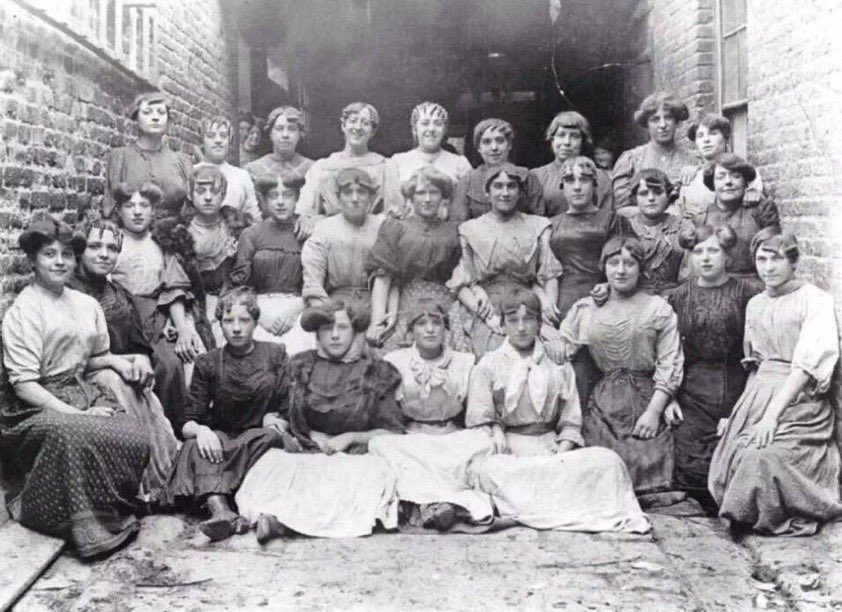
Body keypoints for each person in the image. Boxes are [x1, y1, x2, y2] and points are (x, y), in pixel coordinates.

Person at [1, 214, 150, 558]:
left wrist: (112, 360)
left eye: (66, 255)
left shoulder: (85, 304)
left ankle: (113, 512)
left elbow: (92, 358)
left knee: (132, 430)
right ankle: (81, 526)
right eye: (49, 254)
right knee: (75, 433)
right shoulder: (24, 310)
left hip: (80, 389)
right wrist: (76, 414)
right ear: (33, 260)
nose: (59, 262)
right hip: (32, 406)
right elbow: (23, 385)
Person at [465, 288, 650, 533]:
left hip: (551, 449)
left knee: (610, 461)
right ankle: (549, 505)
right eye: (513, 320)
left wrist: (560, 453)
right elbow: (480, 420)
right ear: (502, 324)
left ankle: (532, 507)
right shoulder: (488, 365)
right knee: (486, 470)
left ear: (540, 323)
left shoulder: (557, 364)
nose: (521, 328)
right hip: (510, 453)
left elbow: (571, 421)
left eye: (529, 319)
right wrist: (497, 432)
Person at [235, 301, 406, 542]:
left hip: (355, 456)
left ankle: (286, 524)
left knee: (363, 475)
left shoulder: (374, 372)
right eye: (327, 329)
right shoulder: (299, 366)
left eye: (342, 328)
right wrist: (289, 426)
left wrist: (350, 438)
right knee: (273, 465)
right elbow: (280, 413)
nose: (335, 335)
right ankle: (274, 519)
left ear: (355, 331)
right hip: (305, 449)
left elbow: (394, 433)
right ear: (317, 333)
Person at [709, 229, 842, 536]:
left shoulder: (815, 300)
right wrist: (740, 412)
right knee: (732, 452)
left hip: (798, 399)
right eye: (761, 259)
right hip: (759, 393)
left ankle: (777, 508)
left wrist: (771, 417)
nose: (768, 267)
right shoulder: (755, 303)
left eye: (777, 259)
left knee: (763, 457)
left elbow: (806, 367)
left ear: (794, 262)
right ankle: (744, 512)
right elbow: (755, 364)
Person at [551, 237, 685, 506]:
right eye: (614, 263)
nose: (621, 270)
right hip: (604, 399)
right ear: (604, 267)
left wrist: (656, 410)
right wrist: (553, 340)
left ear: (641, 269)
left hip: (646, 396)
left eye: (629, 263)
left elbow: (669, 361)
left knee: (648, 459)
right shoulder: (587, 308)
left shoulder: (658, 308)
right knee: (599, 463)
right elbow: (562, 346)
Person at [69, 214, 179, 504]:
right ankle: (139, 488)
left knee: (148, 398)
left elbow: (137, 341)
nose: (104, 254)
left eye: (112, 248)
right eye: (95, 246)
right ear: (81, 249)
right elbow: (71, 358)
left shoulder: (118, 293)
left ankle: (167, 479)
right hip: (83, 375)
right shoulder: (68, 291)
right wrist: (114, 362)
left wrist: (141, 359)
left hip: (122, 370)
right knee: (117, 385)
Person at [166, 288, 290, 541]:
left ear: (255, 322)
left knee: (272, 440)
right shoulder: (208, 362)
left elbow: (290, 406)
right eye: (228, 321)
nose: (236, 328)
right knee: (193, 445)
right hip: (224, 438)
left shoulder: (275, 355)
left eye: (244, 320)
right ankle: (221, 511)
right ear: (219, 324)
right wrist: (201, 431)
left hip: (259, 439)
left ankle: (251, 512)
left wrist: (276, 415)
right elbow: (188, 419)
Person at [368, 300, 494, 531]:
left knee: (481, 443)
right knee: (381, 445)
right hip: (412, 435)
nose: (430, 329)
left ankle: (441, 505)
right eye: (421, 324)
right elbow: (386, 413)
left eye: (436, 323)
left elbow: (477, 416)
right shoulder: (395, 361)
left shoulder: (464, 362)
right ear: (411, 331)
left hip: (451, 434)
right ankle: (429, 506)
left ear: (446, 329)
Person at [667, 225, 759, 510]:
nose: (705, 258)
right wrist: (670, 397)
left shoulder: (747, 294)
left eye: (713, 251)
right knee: (688, 468)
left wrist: (738, 409)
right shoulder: (678, 297)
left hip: (734, 385)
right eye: (698, 251)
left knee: (731, 460)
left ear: (727, 255)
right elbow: (670, 351)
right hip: (690, 390)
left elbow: (754, 356)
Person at [109, 182, 210, 420]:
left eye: (144, 205)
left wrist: (182, 327)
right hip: (119, 317)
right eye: (129, 205)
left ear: (153, 210)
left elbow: (173, 285)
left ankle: (174, 426)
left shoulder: (162, 242)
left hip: (155, 314)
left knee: (170, 364)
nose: (136, 211)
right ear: (120, 210)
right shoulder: (111, 241)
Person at [447, 164, 563, 357]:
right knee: (495, 353)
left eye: (511, 186)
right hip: (487, 307)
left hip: (529, 304)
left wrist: (546, 313)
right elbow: (460, 285)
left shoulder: (538, 225)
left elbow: (549, 274)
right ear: (487, 192)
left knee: (548, 352)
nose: (505, 192)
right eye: (498, 186)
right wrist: (485, 314)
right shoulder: (470, 229)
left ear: (520, 192)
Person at [548, 156, 629, 404]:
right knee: (569, 370)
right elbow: (546, 269)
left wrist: (609, 284)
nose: (577, 186)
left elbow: (626, 259)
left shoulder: (612, 219)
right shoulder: (552, 224)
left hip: (603, 298)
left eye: (584, 179)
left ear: (595, 184)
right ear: (562, 186)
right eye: (570, 180)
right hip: (564, 300)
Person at [366, 166, 462, 351]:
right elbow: (383, 277)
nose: (427, 199)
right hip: (406, 300)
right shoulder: (395, 227)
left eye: (434, 192)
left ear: (443, 197)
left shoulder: (453, 231)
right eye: (421, 193)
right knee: (390, 346)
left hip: (444, 301)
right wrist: (377, 321)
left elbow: (458, 279)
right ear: (410, 197)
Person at [228, 171, 313, 353]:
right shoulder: (251, 234)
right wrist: (258, 314)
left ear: (297, 198)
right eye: (274, 196)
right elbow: (239, 285)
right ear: (264, 200)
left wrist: (296, 310)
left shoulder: (307, 232)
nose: (281, 202)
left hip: (299, 307)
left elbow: (317, 281)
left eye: (288, 195)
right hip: (258, 308)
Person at [296, 102, 396, 226]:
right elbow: (306, 211)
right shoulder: (321, 167)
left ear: (372, 131)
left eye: (365, 123)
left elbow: (393, 213)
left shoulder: (385, 166)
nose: (358, 127)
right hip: (329, 234)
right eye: (353, 121)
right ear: (343, 125)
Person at [301, 167, 386, 312]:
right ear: (338, 198)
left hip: (375, 302)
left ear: (371, 198)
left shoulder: (382, 227)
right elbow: (313, 274)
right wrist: (325, 309)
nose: (355, 199)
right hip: (335, 301)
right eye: (348, 193)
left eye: (361, 192)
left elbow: (388, 277)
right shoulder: (324, 228)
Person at [689, 153, 779, 289]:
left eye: (736, 176)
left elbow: (775, 254)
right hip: (714, 288)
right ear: (712, 183)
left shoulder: (761, 210)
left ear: (745, 182)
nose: (728, 182)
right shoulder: (701, 217)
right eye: (720, 177)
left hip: (754, 287)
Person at [184, 166, 249, 344]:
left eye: (214, 191)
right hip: (193, 302)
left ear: (223, 194)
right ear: (190, 194)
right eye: (200, 191)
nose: (208, 197)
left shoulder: (236, 226)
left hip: (231, 297)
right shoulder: (181, 233)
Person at [104, 92, 193, 218]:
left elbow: (192, 209)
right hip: (131, 233)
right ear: (136, 118)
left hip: (172, 234)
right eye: (147, 112)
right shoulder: (120, 157)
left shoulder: (182, 161)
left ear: (168, 119)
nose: (155, 117)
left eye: (161, 113)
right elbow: (110, 207)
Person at [612, 91, 698, 210]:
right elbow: (621, 208)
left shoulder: (694, 159)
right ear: (647, 125)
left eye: (668, 118)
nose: (662, 125)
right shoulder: (632, 160)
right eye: (655, 119)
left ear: (677, 122)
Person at [384, 102, 472, 215]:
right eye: (425, 123)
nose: (431, 129)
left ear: (445, 130)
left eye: (438, 124)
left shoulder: (460, 163)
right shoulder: (397, 161)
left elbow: (464, 209)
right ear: (415, 129)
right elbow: (393, 207)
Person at [449, 118, 544, 221]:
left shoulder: (527, 177)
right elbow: (458, 222)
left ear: (509, 145)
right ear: (479, 148)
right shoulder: (468, 181)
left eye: (500, 141)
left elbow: (539, 219)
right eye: (487, 142)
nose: (494, 147)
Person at [676, 113, 763, 218]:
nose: (706, 140)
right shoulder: (690, 177)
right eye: (700, 136)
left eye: (712, 133)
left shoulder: (744, 173)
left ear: (726, 138)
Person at [532, 111, 613, 216]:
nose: (567, 142)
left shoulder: (600, 177)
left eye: (574, 136)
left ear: (583, 141)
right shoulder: (537, 177)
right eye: (561, 135)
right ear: (552, 140)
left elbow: (606, 218)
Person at [624, 169, 688, 295]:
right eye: (643, 193)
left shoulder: (683, 227)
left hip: (675, 296)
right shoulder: (624, 228)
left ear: (668, 195)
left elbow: (688, 274)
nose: (651, 198)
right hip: (633, 297)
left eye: (658, 193)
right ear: (634, 198)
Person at [196, 115, 260, 221]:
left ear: (229, 140)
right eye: (211, 135)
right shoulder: (190, 173)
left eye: (223, 135)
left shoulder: (242, 176)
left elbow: (254, 219)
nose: (218, 141)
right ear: (202, 139)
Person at [244, 106, 313, 182]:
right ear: (270, 133)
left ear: (299, 134)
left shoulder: (312, 169)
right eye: (279, 128)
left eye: (291, 129)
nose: (285, 135)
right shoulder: (253, 170)